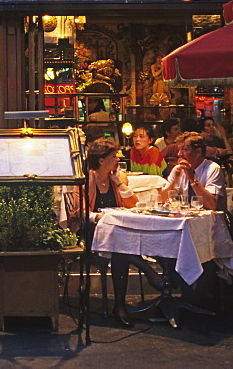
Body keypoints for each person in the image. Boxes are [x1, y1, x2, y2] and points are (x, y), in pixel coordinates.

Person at [75, 138, 139, 327]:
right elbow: (80, 212)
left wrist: (119, 183)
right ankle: (147, 273)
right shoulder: (85, 180)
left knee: (120, 250)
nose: (117, 159)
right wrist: (100, 218)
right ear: (101, 160)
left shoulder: (115, 180)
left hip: (117, 234)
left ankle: (119, 305)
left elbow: (133, 205)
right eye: (113, 156)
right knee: (120, 244)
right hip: (92, 233)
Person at [161, 132, 226, 211]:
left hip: (210, 221)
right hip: (186, 218)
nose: (179, 154)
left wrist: (192, 179)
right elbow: (163, 200)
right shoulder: (179, 169)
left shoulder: (213, 169)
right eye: (179, 150)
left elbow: (212, 205)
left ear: (198, 152)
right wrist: (173, 181)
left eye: (184, 150)